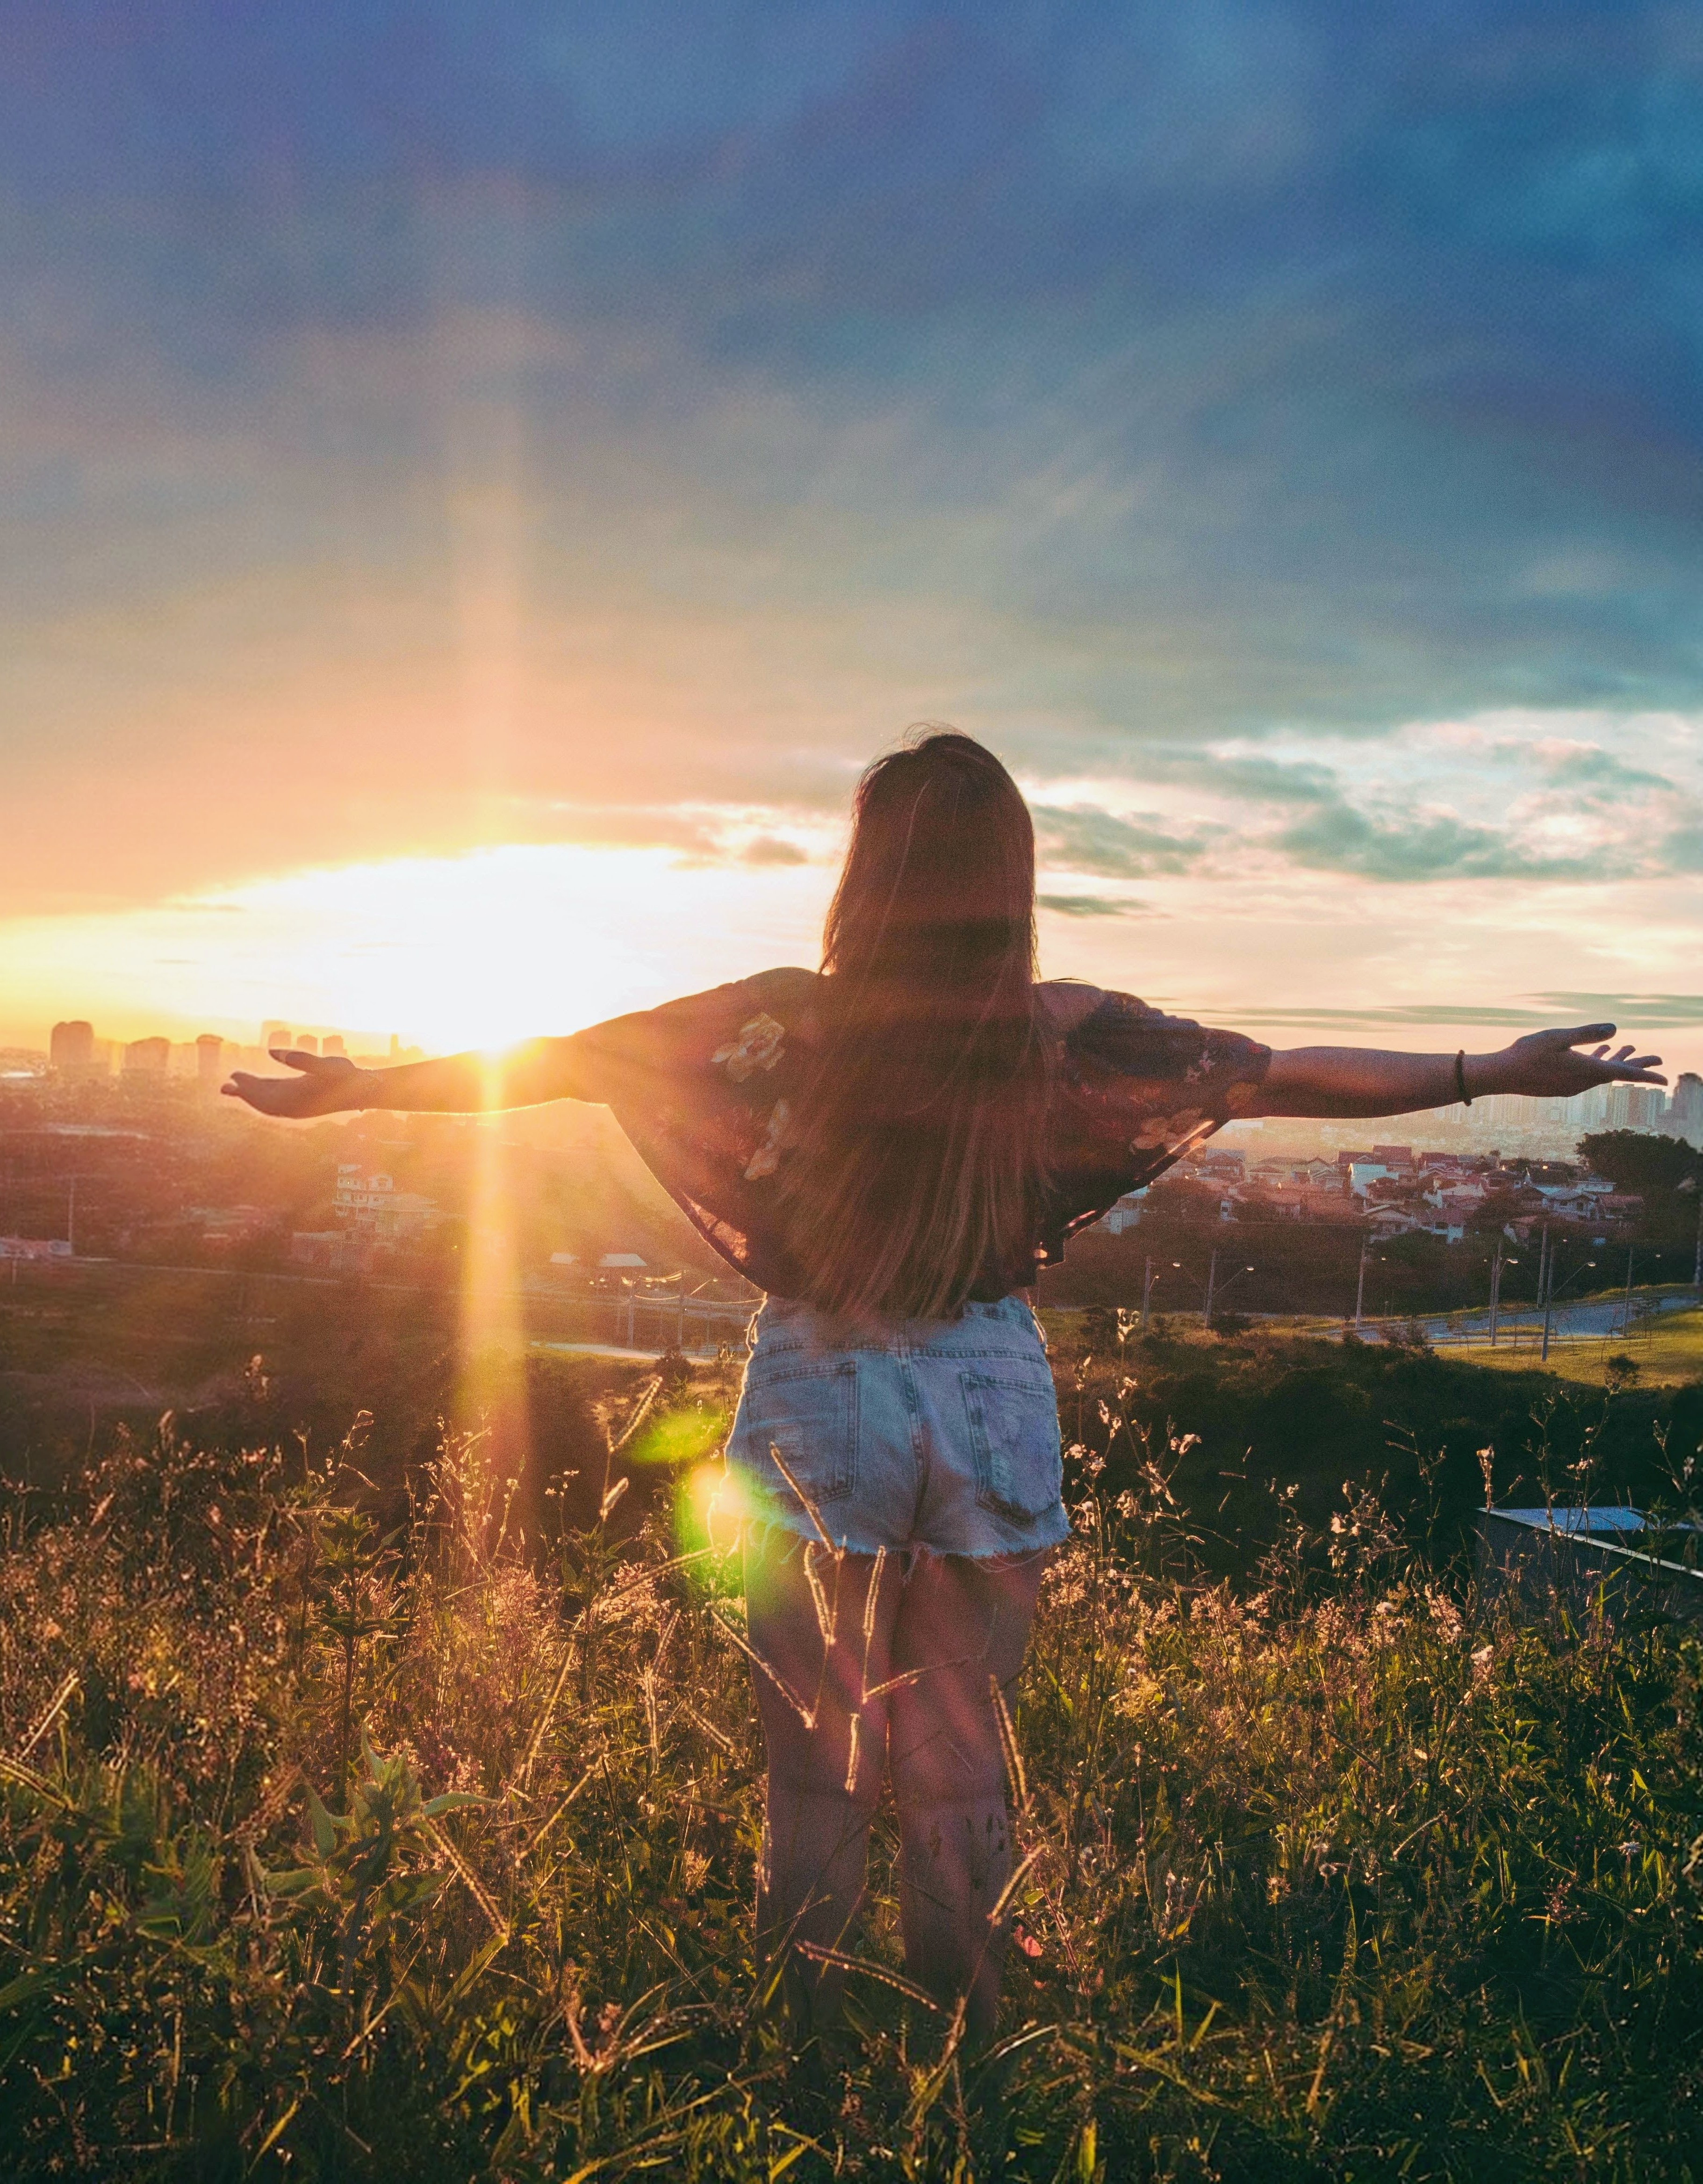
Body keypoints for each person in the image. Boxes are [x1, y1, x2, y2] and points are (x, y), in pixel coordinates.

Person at [225, 728, 1664, 2044]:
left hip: (820, 1377)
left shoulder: (778, 1021)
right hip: (989, 1384)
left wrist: (352, 1090)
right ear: (1008, 876)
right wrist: (1488, 1066)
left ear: (866, 875)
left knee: (815, 1768)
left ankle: (805, 2060)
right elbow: (1281, 1074)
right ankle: (964, 2056)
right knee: (963, 1759)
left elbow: (554, 1062)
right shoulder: (1067, 1031)